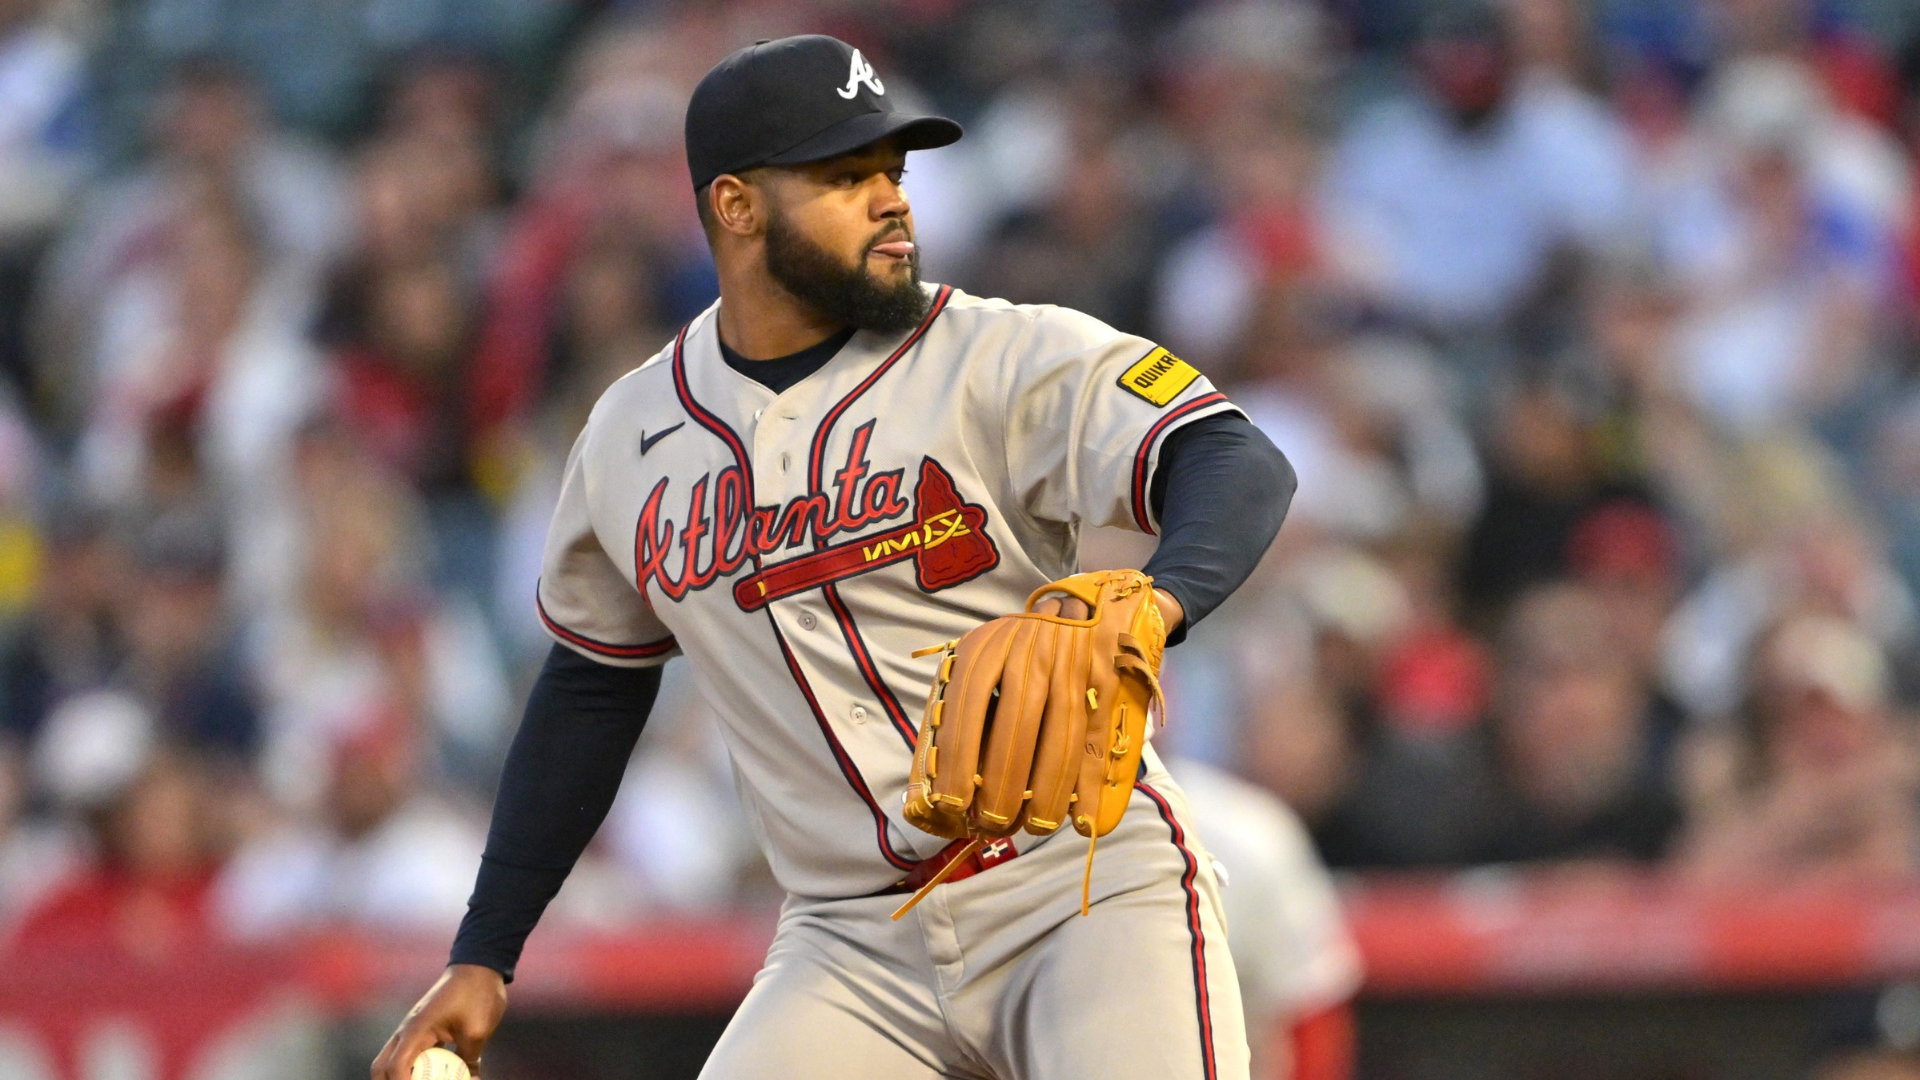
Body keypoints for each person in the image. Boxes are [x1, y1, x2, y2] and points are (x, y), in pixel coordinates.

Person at [372, 35, 1294, 1080]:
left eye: (893, 171)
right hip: (849, 944)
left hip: (1074, 884)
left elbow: (1231, 455)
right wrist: (485, 953)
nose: (892, 201)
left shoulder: (994, 350)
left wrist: (1160, 601)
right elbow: (590, 689)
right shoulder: (629, 436)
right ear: (737, 207)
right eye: (846, 176)